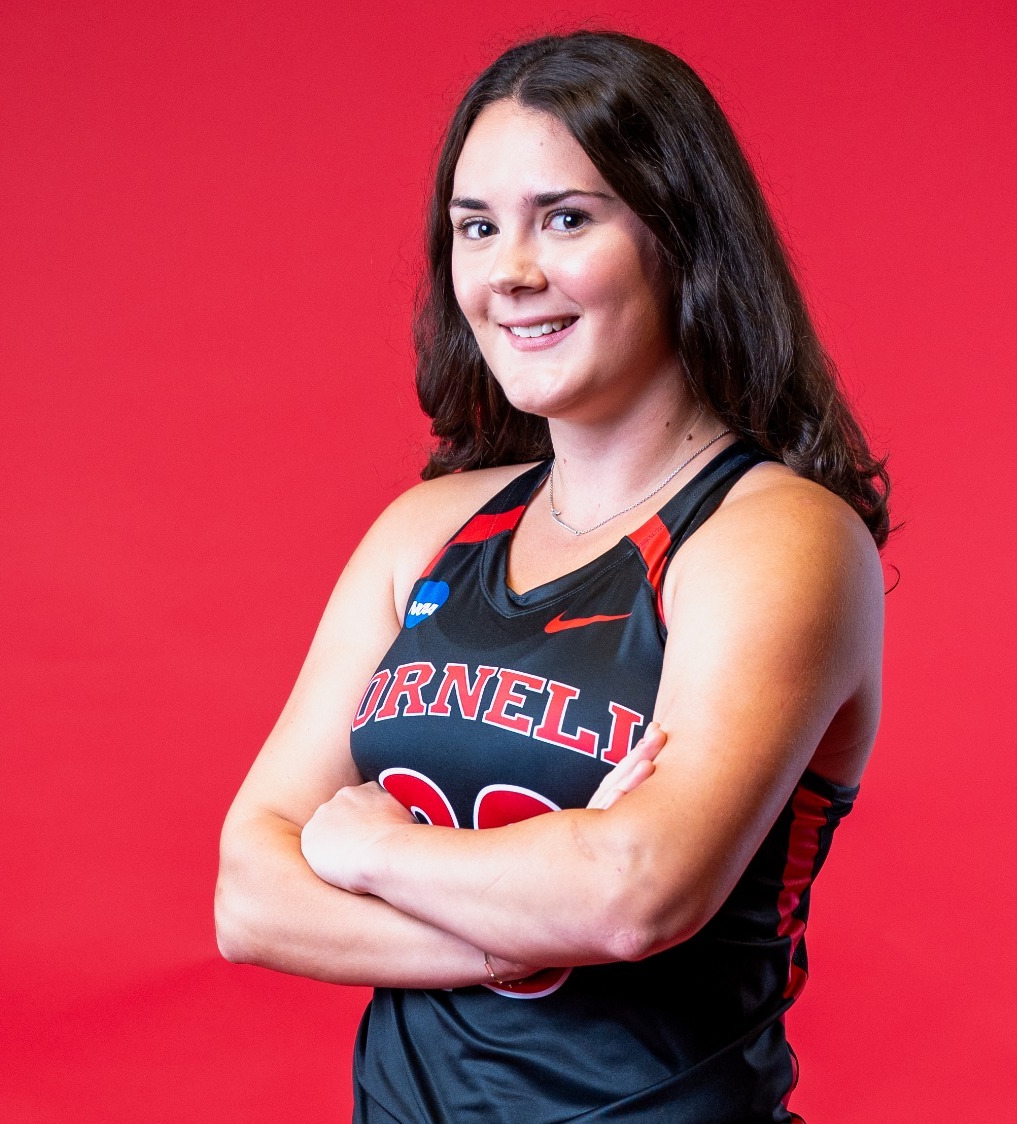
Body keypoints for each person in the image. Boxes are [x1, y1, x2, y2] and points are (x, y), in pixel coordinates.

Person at [214, 30, 889, 1123]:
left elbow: (635, 892)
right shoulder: (424, 531)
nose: (508, 269)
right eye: (475, 227)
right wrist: (533, 905)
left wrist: (367, 847)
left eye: (564, 218)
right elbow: (248, 895)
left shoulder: (775, 537)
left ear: (679, 237)